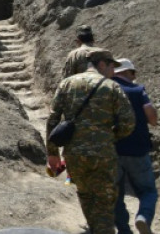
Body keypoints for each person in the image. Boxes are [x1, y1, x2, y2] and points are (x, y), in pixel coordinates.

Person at [46, 48, 136, 234]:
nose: (113, 72)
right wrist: (111, 137)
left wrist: (52, 153)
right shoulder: (111, 87)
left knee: (86, 196)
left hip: (74, 156)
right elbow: (128, 122)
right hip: (102, 155)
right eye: (112, 66)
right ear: (101, 64)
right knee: (104, 203)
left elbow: (53, 120)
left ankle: (96, 229)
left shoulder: (66, 84)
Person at [112, 58, 157, 234]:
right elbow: (152, 119)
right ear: (128, 72)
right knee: (148, 191)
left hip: (112, 150)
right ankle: (143, 217)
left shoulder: (104, 90)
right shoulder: (137, 90)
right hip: (137, 150)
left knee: (116, 195)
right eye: (134, 73)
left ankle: (124, 230)